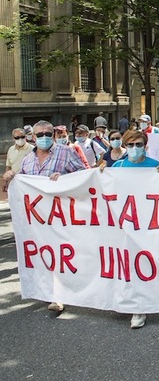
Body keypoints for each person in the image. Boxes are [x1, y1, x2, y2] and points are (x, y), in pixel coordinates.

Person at [3, 120, 87, 313]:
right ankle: (49, 290)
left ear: (53, 135)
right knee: (44, 254)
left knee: (60, 254)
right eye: (39, 135)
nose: (44, 138)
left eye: (48, 134)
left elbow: (84, 175)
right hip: (37, 220)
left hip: (61, 216)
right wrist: (11, 176)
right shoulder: (28, 159)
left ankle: (59, 295)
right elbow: (23, 180)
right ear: (33, 137)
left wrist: (64, 179)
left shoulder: (66, 153)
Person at [108, 130, 159, 329]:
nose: (135, 149)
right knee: (129, 263)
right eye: (130, 145)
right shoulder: (118, 166)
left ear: (145, 146)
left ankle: (146, 302)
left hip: (150, 223)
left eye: (139, 144)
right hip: (125, 224)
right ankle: (135, 304)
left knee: (147, 262)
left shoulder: (155, 166)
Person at [3, 128, 33, 192]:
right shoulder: (11, 149)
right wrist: (6, 182)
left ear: (25, 137)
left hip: (28, 183)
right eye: (17, 137)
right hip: (14, 182)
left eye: (22, 137)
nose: (20, 139)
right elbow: (8, 166)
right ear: (13, 138)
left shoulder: (32, 149)